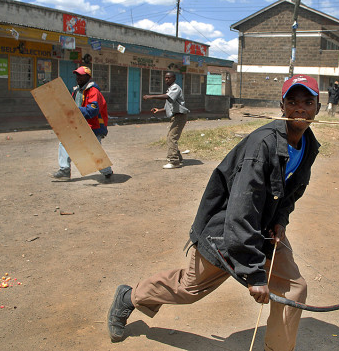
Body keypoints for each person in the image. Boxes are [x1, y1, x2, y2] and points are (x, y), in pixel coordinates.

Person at [107, 75, 321, 350]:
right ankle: (130, 296)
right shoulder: (262, 145)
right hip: (226, 230)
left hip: (264, 229)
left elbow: (291, 192)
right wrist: (254, 274)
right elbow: (241, 212)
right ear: (282, 105)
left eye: (308, 102)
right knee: (189, 288)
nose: (300, 108)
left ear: (318, 106)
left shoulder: (308, 145)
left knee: (294, 288)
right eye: (293, 101)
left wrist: (280, 221)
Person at [51, 66, 113, 180]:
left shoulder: (93, 91)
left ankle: (107, 171)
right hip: (79, 125)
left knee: (94, 153)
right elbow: (69, 107)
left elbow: (92, 110)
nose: (78, 77)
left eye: (81, 75)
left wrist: (74, 110)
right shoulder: (76, 91)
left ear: (88, 77)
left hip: (93, 126)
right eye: (77, 75)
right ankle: (65, 170)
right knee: (64, 142)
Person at [143, 72, 189, 169]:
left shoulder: (175, 87)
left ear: (174, 78)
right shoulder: (170, 89)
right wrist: (159, 110)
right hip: (176, 115)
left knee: (172, 137)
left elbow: (167, 97)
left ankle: (174, 161)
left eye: (169, 78)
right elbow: (170, 105)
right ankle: (178, 158)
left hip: (180, 116)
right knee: (171, 136)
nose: (167, 79)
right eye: (165, 78)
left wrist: (150, 96)